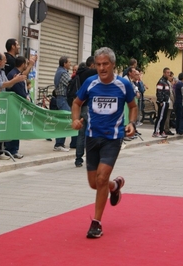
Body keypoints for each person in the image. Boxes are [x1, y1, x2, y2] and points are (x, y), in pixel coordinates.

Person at [71, 47, 137, 239]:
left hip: (113, 138)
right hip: (92, 137)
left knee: (101, 179)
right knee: (94, 183)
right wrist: (75, 120)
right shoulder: (90, 83)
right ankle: (114, 187)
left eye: (105, 64)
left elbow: (133, 106)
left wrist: (131, 123)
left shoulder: (123, 84)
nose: (101, 68)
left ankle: (96, 223)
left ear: (113, 65)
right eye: (98, 64)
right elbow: (76, 103)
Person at [0, 52, 28, 160]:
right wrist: (14, 81)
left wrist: (14, 80)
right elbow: (1, 84)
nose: (6, 62)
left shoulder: (2, 71)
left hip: (1, 102)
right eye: (4, 60)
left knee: (0, 126)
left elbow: (7, 84)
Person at [5, 55, 31, 159]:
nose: (27, 65)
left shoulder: (18, 74)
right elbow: (17, 89)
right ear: (22, 64)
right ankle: (12, 150)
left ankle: (12, 149)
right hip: (14, 105)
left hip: (17, 105)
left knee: (15, 127)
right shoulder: (14, 74)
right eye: (26, 63)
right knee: (14, 127)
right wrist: (25, 97)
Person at [74, 56, 97, 167]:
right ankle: (91, 158)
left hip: (81, 106)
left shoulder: (79, 73)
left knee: (81, 134)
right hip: (90, 106)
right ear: (92, 64)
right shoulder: (91, 73)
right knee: (92, 134)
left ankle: (78, 159)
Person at [53, 56, 72, 152]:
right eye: (69, 62)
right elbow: (70, 83)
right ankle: (59, 143)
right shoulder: (63, 73)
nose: (70, 64)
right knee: (65, 120)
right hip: (63, 99)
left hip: (61, 99)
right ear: (64, 64)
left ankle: (60, 143)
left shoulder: (60, 71)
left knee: (64, 120)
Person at [152, 67, 171, 138]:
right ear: (164, 73)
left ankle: (161, 130)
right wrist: (161, 101)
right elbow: (159, 92)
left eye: (169, 73)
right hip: (162, 102)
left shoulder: (166, 82)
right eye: (167, 73)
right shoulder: (161, 81)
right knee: (160, 117)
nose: (169, 74)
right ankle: (156, 131)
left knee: (164, 117)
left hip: (166, 102)